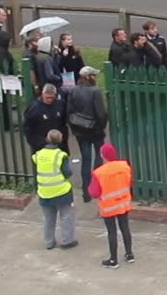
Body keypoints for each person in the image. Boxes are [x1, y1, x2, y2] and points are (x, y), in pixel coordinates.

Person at [89, 143, 133, 269]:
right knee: (125, 228)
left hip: (109, 206)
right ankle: (129, 254)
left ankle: (114, 259)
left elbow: (94, 192)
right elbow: (130, 182)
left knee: (112, 232)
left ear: (103, 156)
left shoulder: (99, 172)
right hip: (123, 202)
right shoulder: (125, 166)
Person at [67, 66, 108, 202]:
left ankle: (86, 192)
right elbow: (101, 113)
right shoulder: (95, 91)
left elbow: (69, 111)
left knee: (86, 159)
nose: (95, 78)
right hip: (95, 130)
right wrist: (101, 127)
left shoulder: (73, 90)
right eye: (93, 75)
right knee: (98, 157)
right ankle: (97, 187)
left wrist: (75, 128)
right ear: (87, 77)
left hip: (80, 131)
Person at [33, 129, 78, 251]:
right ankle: (67, 241)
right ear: (60, 140)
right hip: (61, 191)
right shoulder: (61, 155)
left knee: (48, 218)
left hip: (44, 191)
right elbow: (67, 173)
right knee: (66, 216)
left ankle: (49, 242)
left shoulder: (38, 155)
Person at [24, 84, 68, 155]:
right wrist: (38, 143)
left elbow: (64, 122)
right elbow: (28, 128)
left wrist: (63, 138)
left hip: (60, 146)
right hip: (41, 147)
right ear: (42, 94)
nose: (49, 100)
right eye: (47, 97)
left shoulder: (60, 105)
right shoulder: (34, 108)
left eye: (51, 97)